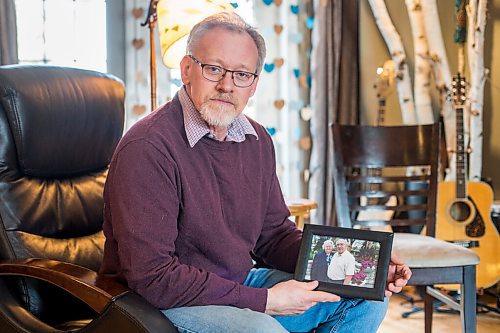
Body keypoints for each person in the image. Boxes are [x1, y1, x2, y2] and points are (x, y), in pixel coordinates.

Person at [100, 12, 411, 333]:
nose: (226, 85)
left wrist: (366, 269)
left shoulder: (256, 139)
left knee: (364, 298)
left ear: (254, 84)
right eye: (213, 69)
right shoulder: (148, 146)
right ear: (187, 70)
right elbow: (153, 276)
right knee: (262, 329)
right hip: (158, 303)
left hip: (235, 281)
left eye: (242, 74)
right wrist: (264, 300)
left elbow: (274, 236)